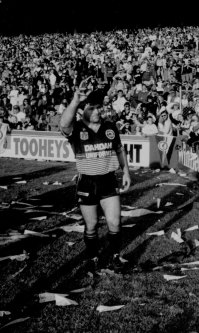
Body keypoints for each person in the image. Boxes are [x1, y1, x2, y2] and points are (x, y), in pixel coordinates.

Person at [60, 80, 132, 272]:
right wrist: (75, 100)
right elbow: (63, 123)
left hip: (108, 179)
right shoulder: (75, 129)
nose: (97, 111)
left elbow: (119, 149)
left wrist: (125, 171)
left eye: (99, 108)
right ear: (82, 110)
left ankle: (116, 256)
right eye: (92, 108)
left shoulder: (109, 127)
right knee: (91, 225)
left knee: (115, 222)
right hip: (87, 182)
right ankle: (93, 257)